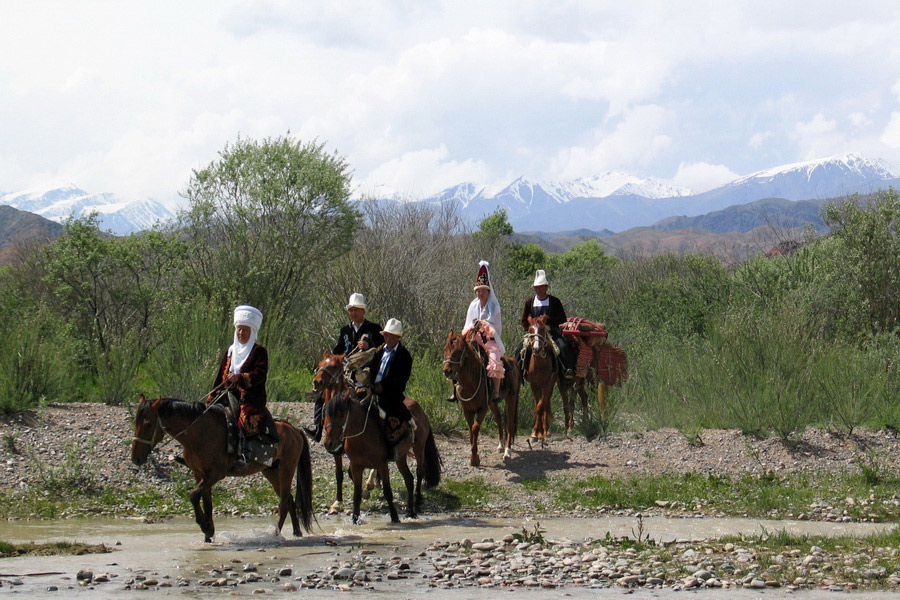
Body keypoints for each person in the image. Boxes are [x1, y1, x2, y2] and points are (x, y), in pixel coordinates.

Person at [308, 293, 383, 442]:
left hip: (366, 368)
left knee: (373, 396)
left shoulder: (374, 328)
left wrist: (369, 345)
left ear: (363, 311)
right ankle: (317, 426)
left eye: (357, 310)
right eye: (351, 310)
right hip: (346, 368)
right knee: (323, 394)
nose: (353, 313)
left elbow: (382, 347)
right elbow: (338, 350)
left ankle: (378, 431)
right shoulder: (345, 330)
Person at [208, 305, 272, 473]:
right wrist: (213, 394)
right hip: (227, 393)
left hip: (250, 396)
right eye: (239, 330)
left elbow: (259, 374)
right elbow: (219, 375)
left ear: (252, 332)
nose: (241, 333)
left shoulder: (259, 352)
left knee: (243, 418)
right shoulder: (230, 351)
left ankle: (243, 454)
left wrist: (240, 378)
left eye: (245, 330)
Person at [447, 260, 505, 404]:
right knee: (456, 355)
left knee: (493, 357)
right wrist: (471, 329)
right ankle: (456, 390)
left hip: (488, 340)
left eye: (483, 291)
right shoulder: (473, 305)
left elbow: (495, 326)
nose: (480, 293)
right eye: (478, 291)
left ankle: (495, 392)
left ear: (488, 291)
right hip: (472, 338)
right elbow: (467, 323)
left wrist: (483, 325)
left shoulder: (494, 306)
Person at [366, 318, 414, 460]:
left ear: (398, 337)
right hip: (372, 388)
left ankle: (389, 448)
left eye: (391, 335)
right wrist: (367, 380)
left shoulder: (405, 357)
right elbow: (372, 367)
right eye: (386, 335)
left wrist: (377, 388)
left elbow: (398, 381)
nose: (388, 338)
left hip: (391, 395)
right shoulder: (379, 351)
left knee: (388, 419)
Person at [519, 270, 574, 378]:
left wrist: (547, 321)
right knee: (519, 349)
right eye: (536, 287)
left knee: (562, 346)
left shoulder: (555, 301)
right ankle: (519, 372)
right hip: (535, 334)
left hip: (551, 332)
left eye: (541, 287)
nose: (539, 289)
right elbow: (524, 320)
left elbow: (562, 318)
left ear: (546, 287)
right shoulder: (529, 302)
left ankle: (567, 369)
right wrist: (531, 328)